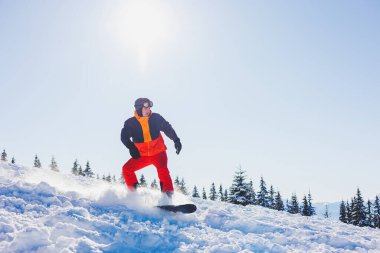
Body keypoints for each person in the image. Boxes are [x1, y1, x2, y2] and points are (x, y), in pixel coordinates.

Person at [121, 98, 182, 196]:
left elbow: (167, 128)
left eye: (149, 108)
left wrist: (176, 140)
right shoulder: (130, 123)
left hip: (158, 153)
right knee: (127, 169)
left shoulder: (156, 118)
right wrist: (131, 147)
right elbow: (124, 137)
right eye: (145, 108)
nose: (148, 110)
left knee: (163, 170)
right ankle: (133, 195)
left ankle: (168, 196)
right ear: (139, 108)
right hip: (142, 155)